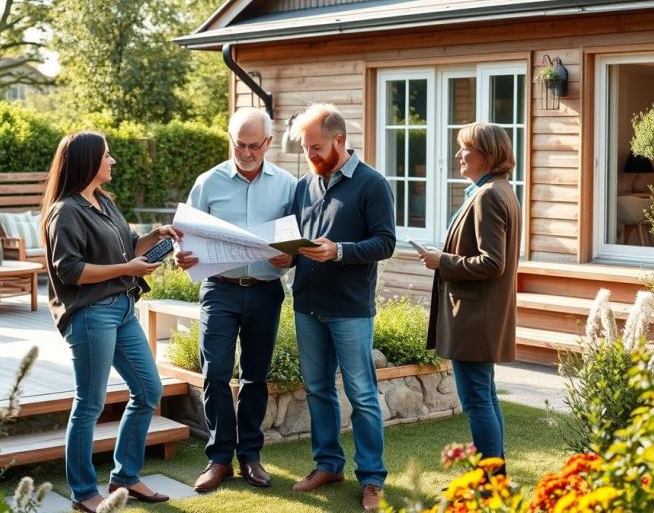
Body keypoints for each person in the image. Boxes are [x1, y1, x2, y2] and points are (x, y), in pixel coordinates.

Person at [41, 131, 180, 513]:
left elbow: (127, 245)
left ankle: (124, 476)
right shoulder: (65, 212)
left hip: (122, 310)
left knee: (149, 391)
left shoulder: (103, 200)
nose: (113, 160)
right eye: (107, 155)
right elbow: (69, 271)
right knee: (89, 404)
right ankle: (84, 492)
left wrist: (156, 235)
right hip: (90, 315)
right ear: (88, 161)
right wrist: (128, 268)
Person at [174, 107, 297, 492]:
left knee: (255, 377)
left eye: (253, 146)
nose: (245, 152)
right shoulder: (207, 183)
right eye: (239, 145)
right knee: (215, 373)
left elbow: (296, 241)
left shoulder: (288, 185)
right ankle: (219, 460)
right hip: (219, 290)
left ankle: (251, 457)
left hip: (265, 291)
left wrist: (289, 256)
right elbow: (186, 238)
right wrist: (183, 256)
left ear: (268, 143)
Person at [286, 103, 396, 512]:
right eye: (305, 148)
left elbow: (386, 242)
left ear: (339, 140)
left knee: (362, 394)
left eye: (315, 147)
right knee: (317, 390)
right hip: (307, 305)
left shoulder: (372, 184)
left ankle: (371, 479)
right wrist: (286, 255)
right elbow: (295, 236)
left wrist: (340, 251)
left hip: (350, 308)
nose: (310, 155)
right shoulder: (305, 185)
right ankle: (328, 465)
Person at [418, 122, 520, 475]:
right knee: (486, 399)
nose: (459, 155)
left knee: (478, 402)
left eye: (466, 149)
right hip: (481, 317)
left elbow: (492, 263)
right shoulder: (498, 189)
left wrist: (440, 261)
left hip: (474, 320)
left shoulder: (489, 195)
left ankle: (490, 480)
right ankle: (495, 474)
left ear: (487, 156)